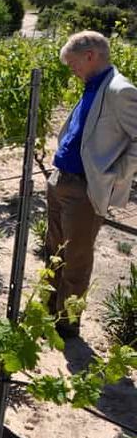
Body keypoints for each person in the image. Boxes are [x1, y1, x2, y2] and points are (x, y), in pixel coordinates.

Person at [47, 30, 137, 339]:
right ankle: (48, 312)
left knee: (76, 258)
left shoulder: (119, 90)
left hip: (85, 188)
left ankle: (67, 323)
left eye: (73, 63)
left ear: (90, 56)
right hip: (60, 180)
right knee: (54, 251)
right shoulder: (93, 85)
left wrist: (112, 175)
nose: (71, 69)